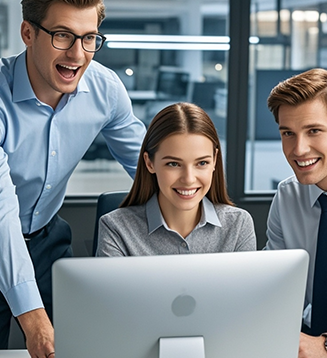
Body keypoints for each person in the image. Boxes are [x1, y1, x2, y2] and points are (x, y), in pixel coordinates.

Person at [0, 0, 145, 358]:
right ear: (28, 33)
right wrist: (32, 316)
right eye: (62, 35)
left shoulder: (104, 89)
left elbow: (151, 166)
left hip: (46, 238)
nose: (78, 54)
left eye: (89, 37)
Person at [262, 69, 327, 358]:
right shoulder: (288, 197)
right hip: (306, 343)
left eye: (314, 131)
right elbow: (274, 285)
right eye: (288, 133)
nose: (298, 150)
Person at [96, 103, 254, 256]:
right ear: (149, 163)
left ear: (214, 160)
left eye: (202, 163)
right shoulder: (115, 228)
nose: (188, 179)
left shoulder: (238, 224)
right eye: (173, 164)